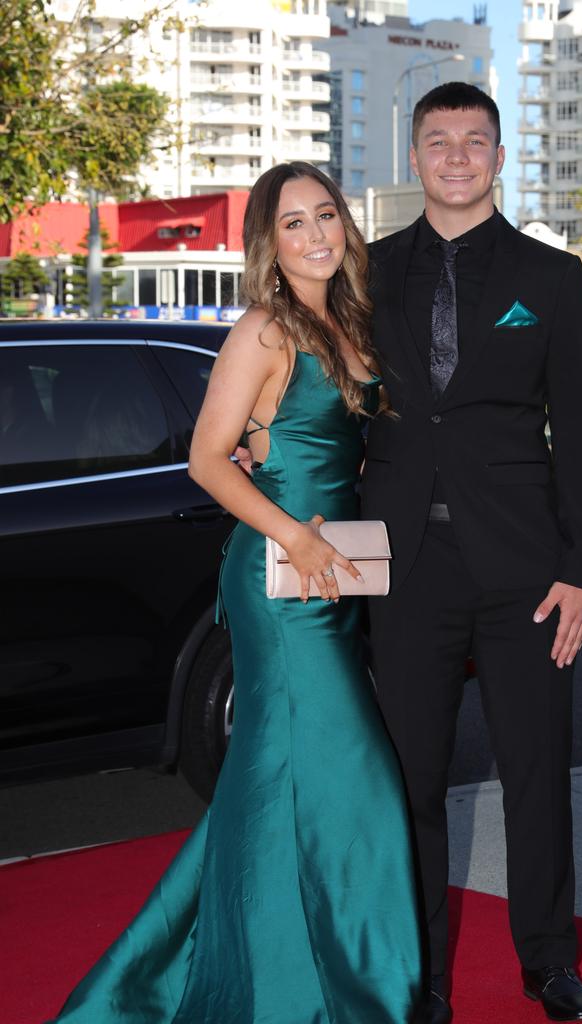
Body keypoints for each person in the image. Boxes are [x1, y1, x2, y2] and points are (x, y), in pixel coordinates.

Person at [46, 162, 422, 1024]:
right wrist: (293, 533)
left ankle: (274, 971)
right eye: (293, 223)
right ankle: (322, 983)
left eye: (325, 215)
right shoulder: (264, 330)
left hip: (334, 574)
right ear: (267, 242)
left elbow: (341, 447)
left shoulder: (348, 323)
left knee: (280, 779)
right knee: (349, 777)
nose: (316, 234)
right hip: (281, 580)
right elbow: (207, 459)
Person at [360, 83, 582, 1023]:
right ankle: (420, 972)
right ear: (414, 156)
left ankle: (549, 961)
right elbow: (331, 404)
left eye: (475, 141)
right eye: (438, 140)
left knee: (537, 771)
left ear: (500, 157)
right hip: (402, 569)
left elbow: (581, 438)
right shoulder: (365, 271)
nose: (457, 156)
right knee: (410, 779)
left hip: (527, 573)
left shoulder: (550, 278)